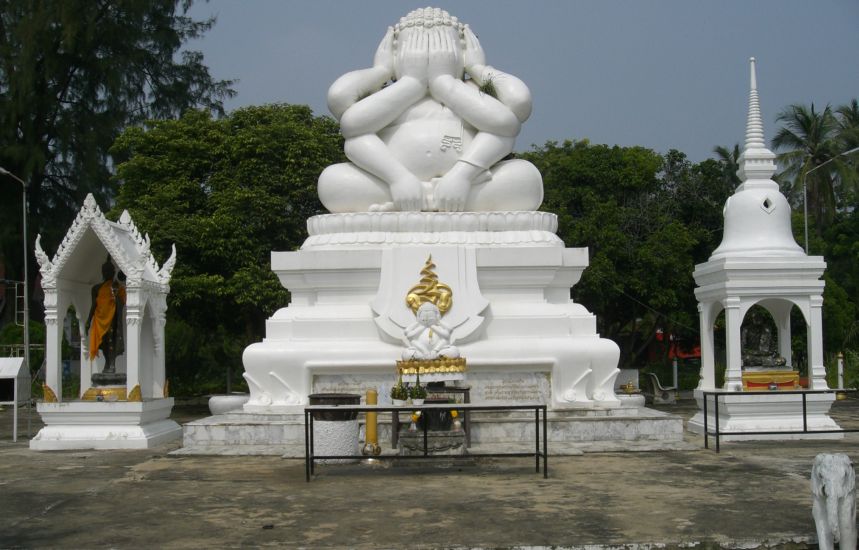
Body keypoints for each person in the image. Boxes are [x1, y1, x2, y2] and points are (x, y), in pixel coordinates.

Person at [318, 7, 543, 213]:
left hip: (470, 184)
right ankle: (423, 198)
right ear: (395, 52)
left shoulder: (471, 92)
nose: (429, 56)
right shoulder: (388, 97)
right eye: (414, 47)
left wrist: (468, 71)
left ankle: (432, 199)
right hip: (389, 185)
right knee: (333, 181)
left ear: (463, 50)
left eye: (442, 46)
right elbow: (347, 115)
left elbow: (514, 111)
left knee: (524, 179)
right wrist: (390, 74)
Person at [85, 259, 126, 373]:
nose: (108, 273)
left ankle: (112, 365)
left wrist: (115, 295)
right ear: (103, 272)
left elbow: (122, 302)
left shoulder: (116, 286)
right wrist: (88, 320)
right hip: (99, 319)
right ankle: (107, 363)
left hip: (112, 318)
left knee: (111, 341)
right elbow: (94, 305)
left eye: (110, 271)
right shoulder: (96, 288)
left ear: (113, 272)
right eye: (106, 271)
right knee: (103, 343)